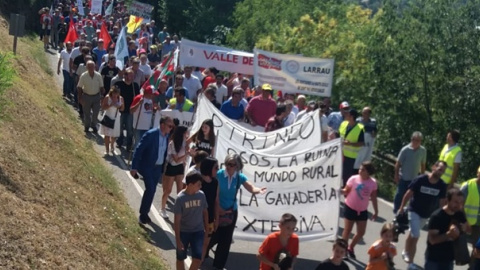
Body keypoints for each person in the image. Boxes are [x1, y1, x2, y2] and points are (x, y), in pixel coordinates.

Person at [208, 154, 267, 270]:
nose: (228, 166)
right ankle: (202, 253)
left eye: (231, 164)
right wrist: (217, 209)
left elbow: (250, 187)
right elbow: (214, 193)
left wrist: (258, 190)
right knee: (212, 235)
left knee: (226, 240)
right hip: (217, 210)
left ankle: (218, 265)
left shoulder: (239, 177)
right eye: (227, 163)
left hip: (231, 212)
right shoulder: (219, 175)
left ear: (237, 166)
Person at [397, 161, 448, 269]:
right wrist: (401, 208)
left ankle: (406, 251)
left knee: (412, 233)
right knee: (416, 235)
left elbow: (442, 203)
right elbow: (408, 193)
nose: (440, 172)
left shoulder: (442, 185)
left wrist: (442, 217)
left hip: (426, 214)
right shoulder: (421, 179)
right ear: (434, 167)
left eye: (443, 171)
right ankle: (410, 263)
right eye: (439, 169)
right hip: (414, 210)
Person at [130, 116, 174, 224]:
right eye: (169, 126)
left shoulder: (167, 137)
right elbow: (139, 150)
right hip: (147, 166)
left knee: (152, 190)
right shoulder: (151, 135)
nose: (171, 128)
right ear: (162, 125)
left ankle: (145, 213)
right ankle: (143, 215)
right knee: (151, 189)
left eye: (172, 126)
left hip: (157, 168)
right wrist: (134, 167)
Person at [341, 161, 378, 259]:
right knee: (347, 230)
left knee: (361, 232)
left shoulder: (373, 183)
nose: (360, 170)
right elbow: (346, 190)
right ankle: (343, 250)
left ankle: (350, 247)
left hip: (362, 210)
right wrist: (338, 191)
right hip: (350, 207)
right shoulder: (353, 179)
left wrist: (376, 211)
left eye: (363, 169)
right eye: (360, 168)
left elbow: (373, 197)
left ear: (368, 172)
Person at [425, 188, 469, 270]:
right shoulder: (437, 216)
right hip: (434, 259)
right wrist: (449, 234)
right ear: (447, 200)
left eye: (461, 202)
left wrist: (463, 229)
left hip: (449, 259)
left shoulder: (459, 214)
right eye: (456, 202)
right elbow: (432, 240)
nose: (458, 205)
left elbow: (468, 229)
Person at [173, 173, 208, 270]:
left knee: (197, 258)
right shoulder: (180, 198)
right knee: (180, 258)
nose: (200, 187)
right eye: (198, 185)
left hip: (198, 231)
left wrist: (207, 229)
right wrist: (178, 239)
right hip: (184, 231)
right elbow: (177, 221)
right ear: (191, 185)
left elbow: (205, 212)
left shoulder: (201, 195)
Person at [393, 131, 427, 213]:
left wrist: (422, 177)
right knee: (400, 194)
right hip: (404, 177)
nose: (416, 142)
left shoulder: (423, 150)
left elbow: (423, 164)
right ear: (412, 139)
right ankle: (396, 211)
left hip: (414, 179)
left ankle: (407, 212)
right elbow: (398, 164)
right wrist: (396, 175)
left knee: (412, 197)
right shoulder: (405, 149)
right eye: (415, 140)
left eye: (418, 140)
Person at [160, 126, 189, 219]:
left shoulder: (185, 142)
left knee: (180, 191)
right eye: (186, 133)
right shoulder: (172, 143)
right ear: (182, 133)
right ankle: (162, 209)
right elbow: (176, 160)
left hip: (180, 167)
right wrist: (187, 154)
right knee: (168, 190)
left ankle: (180, 210)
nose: (187, 135)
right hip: (172, 167)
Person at [114, 68, 140, 152]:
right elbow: (113, 95)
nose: (132, 77)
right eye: (130, 75)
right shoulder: (118, 84)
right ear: (125, 75)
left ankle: (129, 145)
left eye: (133, 75)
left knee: (130, 129)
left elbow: (138, 97)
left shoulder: (135, 86)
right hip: (120, 109)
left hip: (130, 111)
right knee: (120, 127)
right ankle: (119, 141)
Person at [199, 157, 220, 261]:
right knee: (196, 241)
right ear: (209, 168)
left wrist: (217, 219)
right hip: (197, 217)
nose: (218, 170)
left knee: (205, 243)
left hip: (210, 218)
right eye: (216, 167)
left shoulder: (215, 182)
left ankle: (199, 263)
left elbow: (216, 201)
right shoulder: (198, 181)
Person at [460, 166, 480, 269]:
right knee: (457, 244)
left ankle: (472, 267)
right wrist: (465, 221)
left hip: (478, 224)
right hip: (464, 221)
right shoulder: (468, 185)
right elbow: (459, 204)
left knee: (477, 249)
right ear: (477, 173)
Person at [77, 60, 105, 133]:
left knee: (95, 112)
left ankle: (93, 125)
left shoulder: (98, 75)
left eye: (92, 66)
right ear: (86, 67)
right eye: (89, 67)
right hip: (86, 96)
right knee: (87, 113)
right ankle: (87, 126)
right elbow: (79, 87)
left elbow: (102, 87)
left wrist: (102, 96)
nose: (91, 68)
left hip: (96, 96)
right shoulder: (83, 76)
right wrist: (80, 97)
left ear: (94, 66)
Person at [339, 109, 365, 187]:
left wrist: (350, 144)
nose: (345, 115)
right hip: (340, 153)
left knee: (346, 175)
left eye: (347, 114)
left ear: (352, 116)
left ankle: (346, 190)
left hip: (350, 156)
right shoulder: (343, 124)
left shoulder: (360, 128)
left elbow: (361, 143)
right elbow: (338, 135)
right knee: (338, 172)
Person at [100, 86, 124, 155]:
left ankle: (112, 145)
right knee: (107, 135)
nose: (115, 95)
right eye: (114, 93)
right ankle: (107, 150)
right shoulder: (107, 97)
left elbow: (122, 109)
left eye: (116, 94)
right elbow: (103, 107)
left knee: (114, 135)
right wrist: (110, 105)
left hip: (116, 118)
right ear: (111, 92)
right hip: (108, 117)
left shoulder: (121, 99)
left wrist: (119, 107)